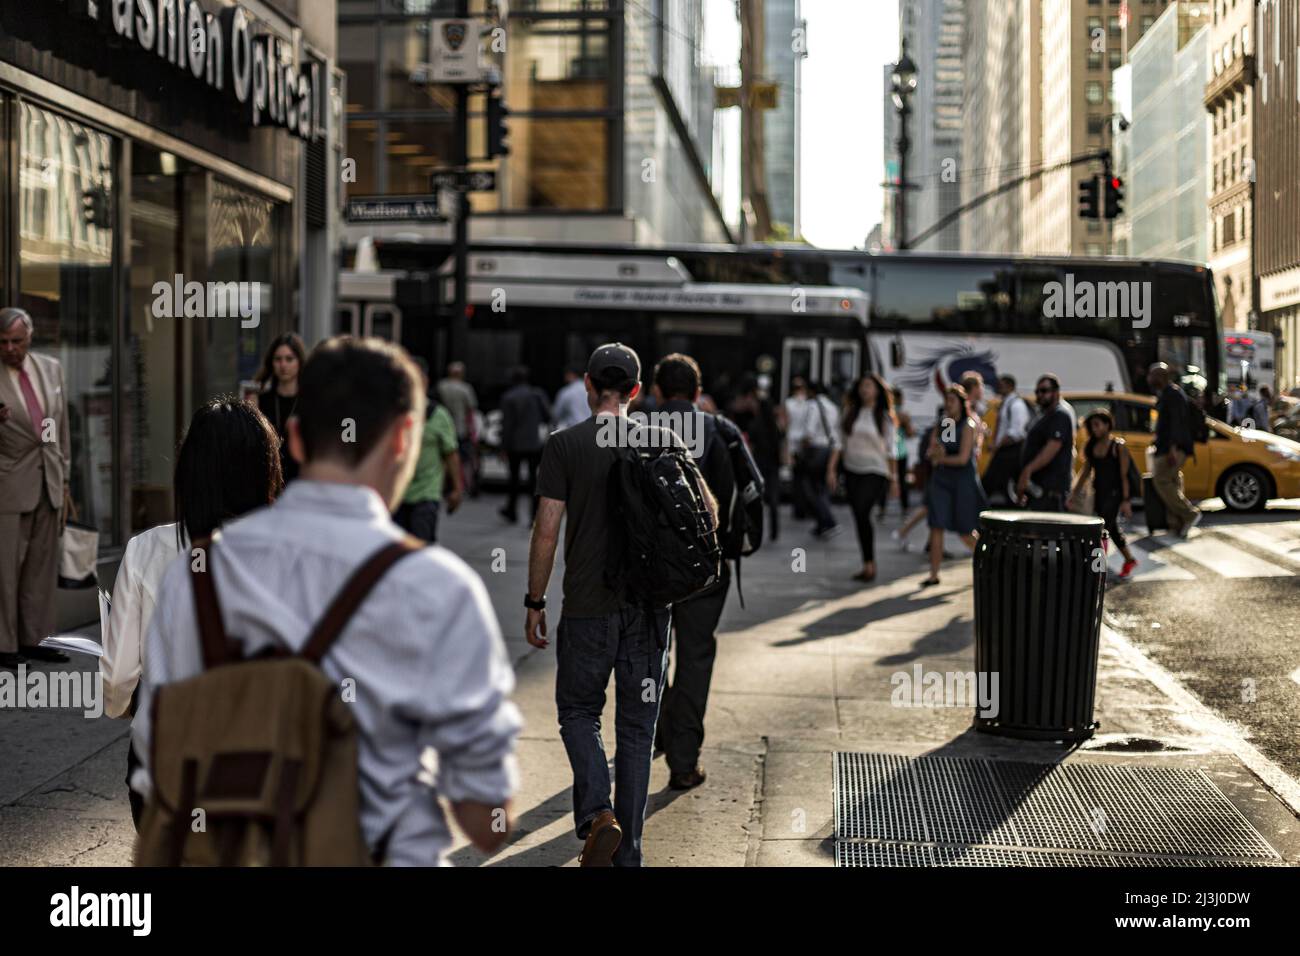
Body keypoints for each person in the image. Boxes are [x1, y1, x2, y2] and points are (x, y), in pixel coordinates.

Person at [131, 337, 522, 865]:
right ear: (406, 438)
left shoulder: (193, 578)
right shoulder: (440, 588)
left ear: (293, 438)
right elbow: (486, 819)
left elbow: (155, 756)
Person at [526, 342, 690, 867]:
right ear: (637, 392)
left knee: (578, 712)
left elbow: (546, 532)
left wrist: (535, 601)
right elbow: (702, 512)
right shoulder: (664, 441)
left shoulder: (565, 445)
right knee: (638, 732)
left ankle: (599, 813)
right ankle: (630, 855)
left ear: (588, 386)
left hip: (587, 607)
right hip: (649, 609)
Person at [101, 397, 285, 827]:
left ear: (190, 471)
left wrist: (121, 706)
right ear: (264, 470)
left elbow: (117, 675)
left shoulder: (145, 550)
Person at [653, 354, 734, 792]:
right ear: (698, 393)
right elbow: (748, 493)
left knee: (651, 655)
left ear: (657, 391)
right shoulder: (720, 429)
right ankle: (683, 762)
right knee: (695, 658)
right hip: (706, 568)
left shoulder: (631, 430)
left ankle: (659, 730)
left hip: (647, 571)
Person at [0, 307, 72, 670]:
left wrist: (66, 475)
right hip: (8, 483)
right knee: (5, 568)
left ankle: (36, 639)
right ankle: (5, 644)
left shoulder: (50, 369)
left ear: (29, 338)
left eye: (17, 341)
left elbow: (60, 428)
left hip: (49, 479)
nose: (10, 348)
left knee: (41, 568)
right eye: (4, 342)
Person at [921, 385, 986, 586]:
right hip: (942, 480)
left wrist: (940, 459)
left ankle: (988, 562)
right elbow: (940, 451)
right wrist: (935, 452)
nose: (948, 404)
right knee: (936, 525)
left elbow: (962, 459)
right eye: (946, 400)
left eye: (952, 400)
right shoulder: (947, 423)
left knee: (965, 530)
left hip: (962, 481)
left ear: (961, 403)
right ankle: (934, 574)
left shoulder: (968, 424)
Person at [393, 357, 462, 543]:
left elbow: (451, 453)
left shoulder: (439, 415)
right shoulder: (392, 412)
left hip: (426, 494)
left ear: (425, 381)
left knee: (420, 548)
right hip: (396, 494)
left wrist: (457, 488)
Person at [838, 374, 899, 583]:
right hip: (851, 469)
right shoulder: (850, 413)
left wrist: (894, 479)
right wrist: (831, 469)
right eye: (862, 386)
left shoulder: (884, 417)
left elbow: (891, 450)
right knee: (858, 516)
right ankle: (867, 563)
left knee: (863, 511)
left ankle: (870, 564)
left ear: (877, 391)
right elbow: (840, 443)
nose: (865, 390)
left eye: (870, 386)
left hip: (876, 470)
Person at [1068, 410, 1139, 580]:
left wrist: (1126, 500)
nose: (1094, 429)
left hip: (1114, 494)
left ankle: (1097, 568)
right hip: (1098, 493)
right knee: (1111, 530)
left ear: (1108, 425)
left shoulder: (1117, 446)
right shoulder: (1092, 446)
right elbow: (1085, 471)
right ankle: (1129, 559)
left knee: (1102, 530)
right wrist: (1073, 493)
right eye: (1092, 426)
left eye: (1097, 425)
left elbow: (1124, 475)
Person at [1148, 362, 1201, 537]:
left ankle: (1189, 514)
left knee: (1161, 481)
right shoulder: (1165, 394)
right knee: (1172, 482)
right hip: (1166, 446)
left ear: (1162, 377)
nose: (1149, 379)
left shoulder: (1173, 394)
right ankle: (1176, 523)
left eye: (1153, 375)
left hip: (1173, 448)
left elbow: (1177, 424)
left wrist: (1172, 448)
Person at [729, 375, 782, 542]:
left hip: (762, 457)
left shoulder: (759, 409)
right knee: (767, 496)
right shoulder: (761, 407)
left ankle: (761, 529)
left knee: (760, 495)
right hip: (767, 457)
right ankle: (767, 530)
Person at [787, 380, 842, 538]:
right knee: (821, 488)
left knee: (812, 489)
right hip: (829, 449)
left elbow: (809, 432)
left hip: (815, 451)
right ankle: (822, 524)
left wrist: (801, 449)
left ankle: (828, 521)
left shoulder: (812, 405)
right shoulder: (833, 406)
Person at [498, 366, 552, 525]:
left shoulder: (508, 397)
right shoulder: (537, 394)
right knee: (533, 481)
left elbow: (506, 425)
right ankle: (533, 516)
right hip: (534, 443)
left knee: (513, 479)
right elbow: (548, 416)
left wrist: (503, 447)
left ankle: (511, 511)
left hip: (515, 444)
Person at [1017, 374, 1076, 512]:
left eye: (1044, 391)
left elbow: (1052, 448)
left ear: (1056, 392)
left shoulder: (1060, 415)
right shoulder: (1044, 415)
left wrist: (1028, 470)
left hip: (1051, 491)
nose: (1039, 395)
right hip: (1039, 488)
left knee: (1048, 531)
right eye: (1037, 391)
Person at [255, 332, 307, 483]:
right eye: (278, 359)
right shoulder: (260, 400)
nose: (283, 365)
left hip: (300, 480)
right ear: (271, 363)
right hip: (267, 480)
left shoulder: (309, 401)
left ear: (299, 362)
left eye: (289, 359)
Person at [982, 374, 1031, 505]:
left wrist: (997, 445)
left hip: (1010, 451)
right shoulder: (1005, 404)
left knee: (991, 483)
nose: (998, 388)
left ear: (1010, 386)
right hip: (1004, 450)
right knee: (1001, 486)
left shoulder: (1016, 405)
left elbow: (1016, 433)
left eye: (1001, 385)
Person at [437, 361, 480, 495]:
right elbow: (471, 409)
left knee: (443, 458)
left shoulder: (441, 386)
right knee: (463, 458)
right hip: (461, 428)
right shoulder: (465, 389)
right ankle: (464, 485)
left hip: (443, 426)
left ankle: (443, 486)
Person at [882, 387, 914, 518]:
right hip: (900, 451)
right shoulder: (902, 414)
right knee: (902, 481)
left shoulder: (885, 413)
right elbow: (910, 433)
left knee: (884, 481)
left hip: (887, 452)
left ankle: (882, 508)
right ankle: (905, 508)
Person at [553, 366, 590, 431]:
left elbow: (556, 415)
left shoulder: (566, 392)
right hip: (589, 429)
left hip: (573, 430)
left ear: (570, 375)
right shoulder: (590, 390)